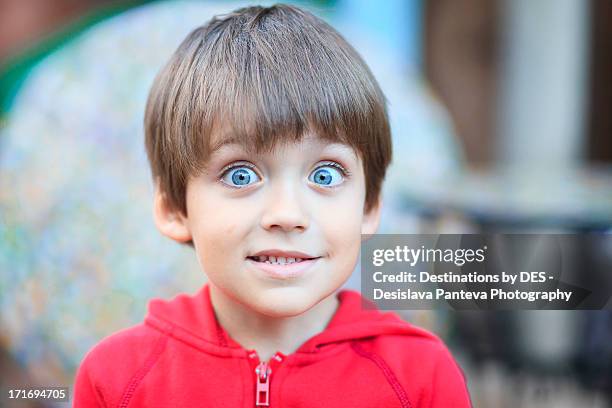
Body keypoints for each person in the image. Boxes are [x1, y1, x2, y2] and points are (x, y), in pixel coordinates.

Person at [73, 4, 471, 407]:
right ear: (175, 209)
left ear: (368, 208)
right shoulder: (117, 379)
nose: (287, 215)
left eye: (325, 175)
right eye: (240, 175)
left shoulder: (420, 376)